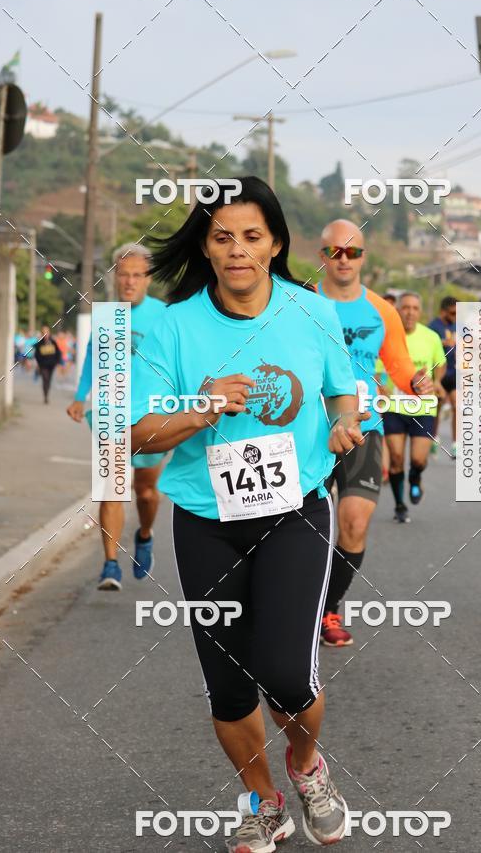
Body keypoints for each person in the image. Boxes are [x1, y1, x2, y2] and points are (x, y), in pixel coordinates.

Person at [130, 177, 364, 851]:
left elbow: (342, 395)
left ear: (276, 244)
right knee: (229, 688)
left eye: (252, 237)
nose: (237, 250)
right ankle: (264, 802)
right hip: (207, 521)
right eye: (223, 237)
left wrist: (346, 427)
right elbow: (136, 435)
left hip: (295, 511)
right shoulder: (172, 327)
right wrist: (198, 407)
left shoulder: (311, 310)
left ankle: (306, 767)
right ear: (205, 247)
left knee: (288, 675)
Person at [315, 221, 433, 647]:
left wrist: (415, 383)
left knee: (354, 523)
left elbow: (399, 365)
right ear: (322, 255)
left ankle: (328, 609)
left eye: (353, 252)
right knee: (298, 529)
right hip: (309, 431)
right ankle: (290, 603)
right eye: (335, 252)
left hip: (364, 428)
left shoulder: (382, 309)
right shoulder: (301, 302)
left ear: (364, 257)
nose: (344, 259)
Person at [67, 243, 166, 591]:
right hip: (111, 411)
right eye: (123, 275)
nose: (129, 282)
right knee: (112, 488)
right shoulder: (107, 315)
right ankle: (110, 565)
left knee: (147, 492)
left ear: (148, 279)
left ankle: (144, 533)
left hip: (153, 415)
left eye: (137, 275)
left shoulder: (165, 315)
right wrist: (80, 398)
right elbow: (94, 357)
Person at [376, 292, 446, 522]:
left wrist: (436, 381)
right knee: (396, 457)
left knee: (418, 459)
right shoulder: (386, 337)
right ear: (398, 310)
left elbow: (441, 365)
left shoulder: (431, 337)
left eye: (415, 308)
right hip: (394, 406)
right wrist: (379, 385)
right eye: (405, 307)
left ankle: (415, 477)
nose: (410, 312)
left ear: (420, 312)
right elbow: (378, 369)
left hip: (423, 407)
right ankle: (399, 505)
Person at [429, 296, 457, 458]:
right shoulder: (433, 326)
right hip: (438, 374)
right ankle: (433, 438)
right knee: (437, 410)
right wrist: (443, 342)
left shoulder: (457, 326)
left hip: (454, 372)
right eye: (452, 313)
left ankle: (456, 445)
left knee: (458, 406)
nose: (455, 316)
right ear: (443, 311)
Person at [33, 326, 62, 403]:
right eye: (43, 333)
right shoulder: (39, 343)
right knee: (45, 379)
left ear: (49, 333)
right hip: (43, 365)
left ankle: (47, 393)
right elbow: (36, 355)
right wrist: (38, 364)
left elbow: (58, 352)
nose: (45, 334)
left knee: (49, 380)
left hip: (51, 365)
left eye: (47, 332)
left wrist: (58, 362)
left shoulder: (53, 342)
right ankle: (45, 396)